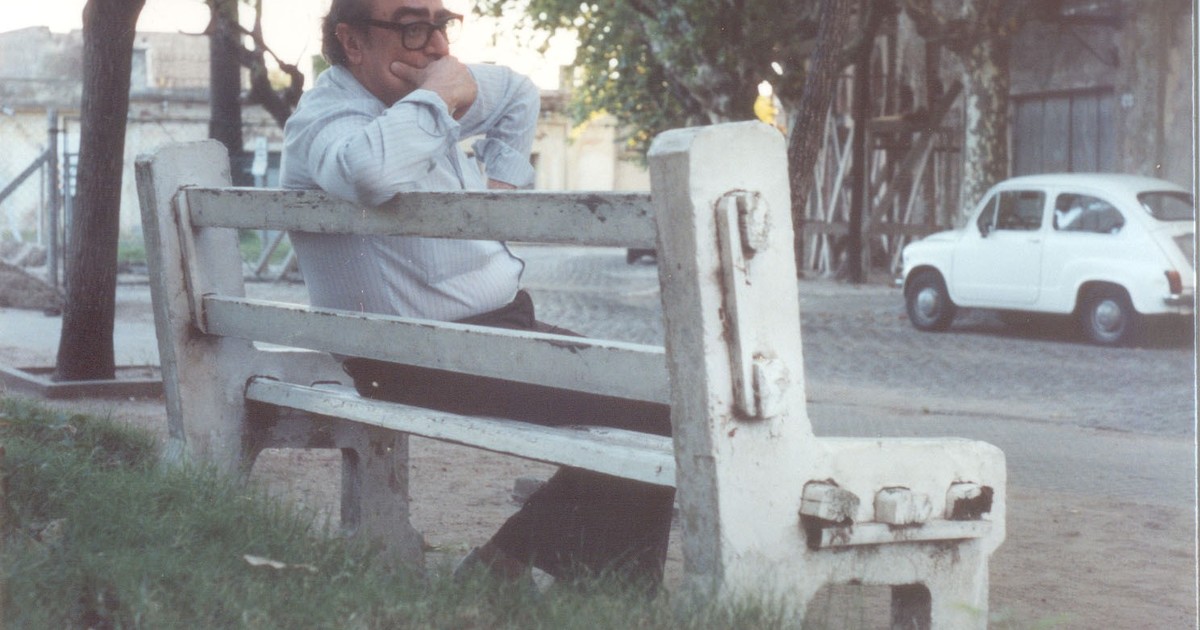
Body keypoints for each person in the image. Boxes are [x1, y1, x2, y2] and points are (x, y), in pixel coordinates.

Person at [280, 0, 674, 590]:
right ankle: (545, 578)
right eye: (413, 28)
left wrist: (494, 196)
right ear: (352, 42)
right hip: (417, 357)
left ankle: (527, 571)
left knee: (660, 393)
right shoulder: (328, 118)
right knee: (658, 405)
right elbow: (366, 172)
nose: (438, 46)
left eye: (442, 24)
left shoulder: (412, 97)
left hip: (488, 337)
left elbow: (516, 92)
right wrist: (439, 96)